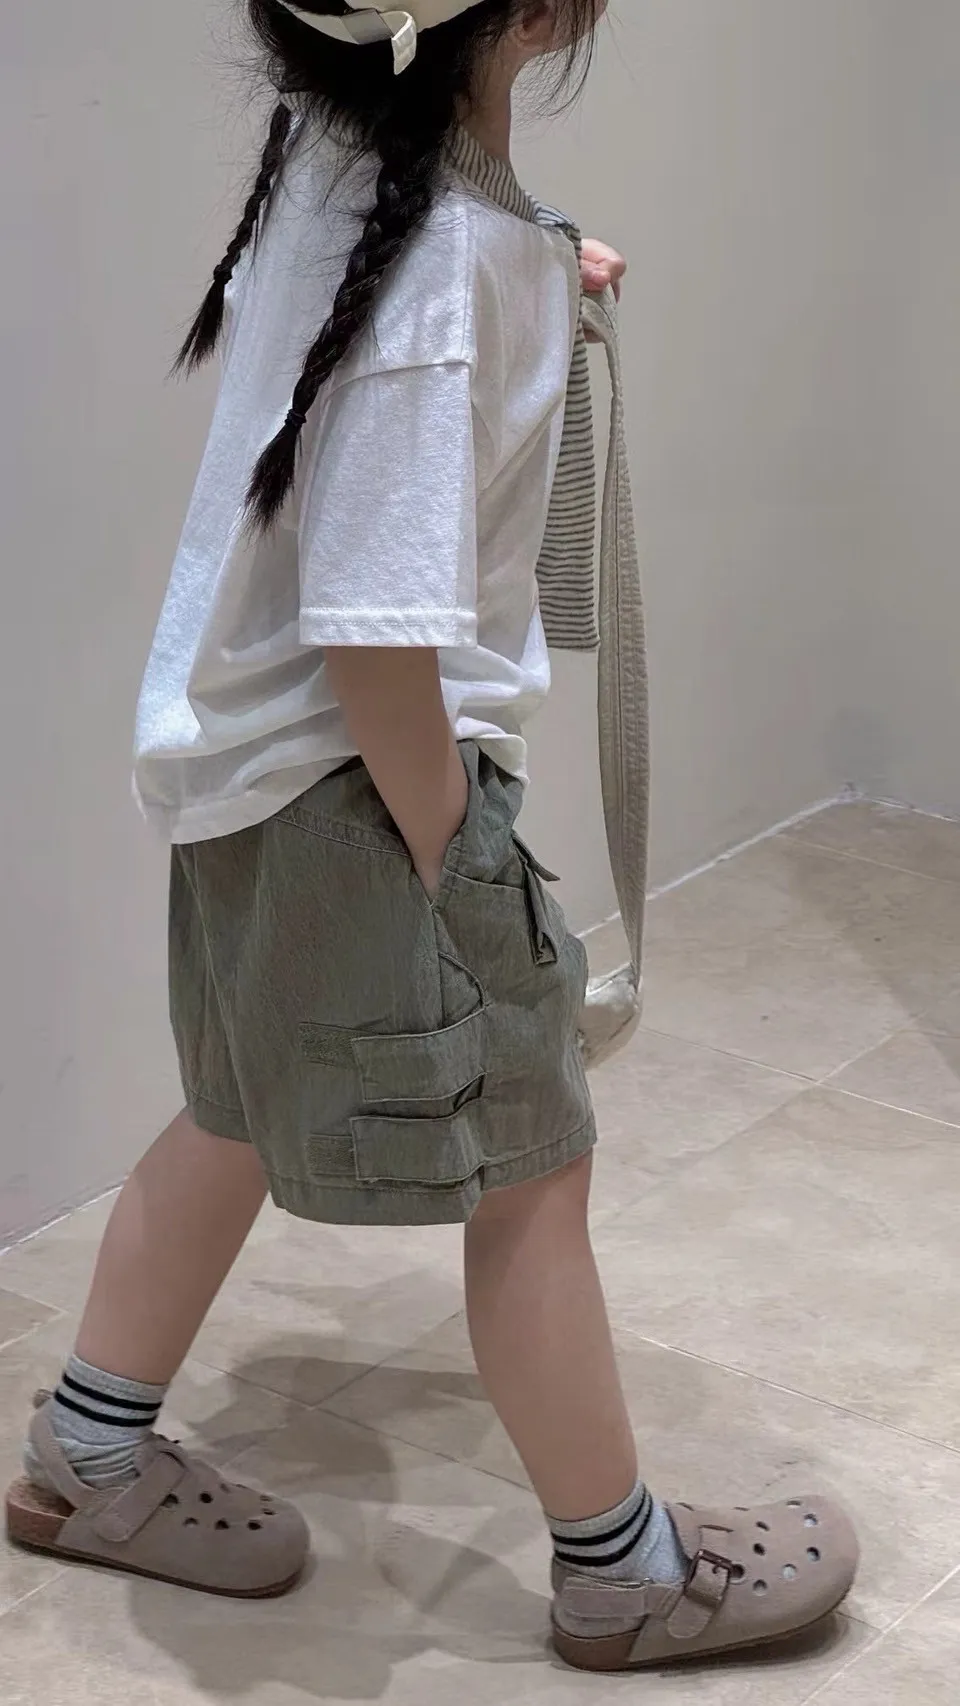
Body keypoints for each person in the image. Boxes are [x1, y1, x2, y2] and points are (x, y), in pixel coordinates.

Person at [5, 0, 858, 1672]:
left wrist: (536, 260)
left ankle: (87, 1452)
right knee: (536, 1167)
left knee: (232, 1109)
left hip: (247, 773)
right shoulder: (441, 278)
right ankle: (624, 1570)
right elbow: (376, 626)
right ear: (534, 17)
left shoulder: (341, 152)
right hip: (366, 788)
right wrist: (459, 852)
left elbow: (391, 349)